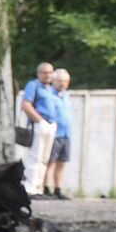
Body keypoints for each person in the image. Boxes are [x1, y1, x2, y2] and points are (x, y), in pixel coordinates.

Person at [19, 62, 60, 192]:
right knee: (35, 156)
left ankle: (38, 186)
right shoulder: (33, 85)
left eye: (50, 72)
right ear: (39, 73)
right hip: (39, 124)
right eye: (45, 72)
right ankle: (29, 186)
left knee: (44, 158)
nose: (47, 75)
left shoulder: (51, 89)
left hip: (51, 124)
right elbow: (26, 105)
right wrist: (39, 120)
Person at [43, 69, 73, 199]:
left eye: (66, 81)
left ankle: (58, 189)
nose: (63, 84)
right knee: (50, 162)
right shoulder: (49, 95)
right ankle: (46, 188)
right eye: (60, 81)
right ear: (54, 81)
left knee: (62, 162)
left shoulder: (66, 95)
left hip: (66, 134)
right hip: (54, 134)